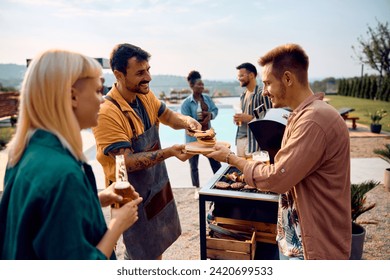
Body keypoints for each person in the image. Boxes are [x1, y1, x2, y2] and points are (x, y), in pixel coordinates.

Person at [207, 44, 351, 260]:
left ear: (288, 79)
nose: (264, 91)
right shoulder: (302, 115)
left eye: (267, 83)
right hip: (296, 241)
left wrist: (231, 158)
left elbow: (277, 178)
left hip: (313, 249)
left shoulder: (313, 120)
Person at [0, 49, 142, 260]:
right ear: (72, 96)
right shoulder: (64, 174)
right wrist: (117, 225)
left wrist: (96, 199)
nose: (102, 100)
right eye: (97, 91)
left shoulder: (23, 154)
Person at [92, 43, 201, 260]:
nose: (148, 77)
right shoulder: (107, 113)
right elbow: (127, 161)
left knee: (157, 250)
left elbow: (169, 116)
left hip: (155, 185)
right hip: (130, 197)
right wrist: (170, 152)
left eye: (148, 70)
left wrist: (187, 121)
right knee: (140, 256)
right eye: (140, 73)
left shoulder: (144, 96)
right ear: (118, 75)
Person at [181, 70, 221, 199]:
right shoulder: (186, 103)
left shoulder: (207, 99)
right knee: (194, 166)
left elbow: (215, 110)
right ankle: (196, 188)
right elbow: (184, 121)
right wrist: (195, 126)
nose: (202, 87)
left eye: (202, 84)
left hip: (208, 137)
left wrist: (210, 115)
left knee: (215, 160)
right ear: (192, 86)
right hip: (192, 139)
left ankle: (220, 183)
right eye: (199, 84)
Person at [234, 62, 272, 158]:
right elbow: (242, 117)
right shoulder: (242, 95)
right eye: (238, 76)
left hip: (254, 142)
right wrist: (237, 119)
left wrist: (250, 118)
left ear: (251, 75)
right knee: (240, 171)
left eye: (241, 75)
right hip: (239, 139)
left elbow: (270, 119)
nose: (239, 78)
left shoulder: (262, 94)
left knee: (253, 171)